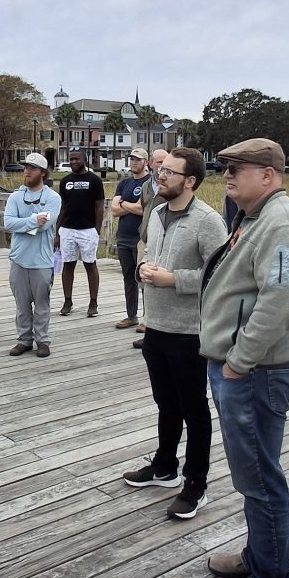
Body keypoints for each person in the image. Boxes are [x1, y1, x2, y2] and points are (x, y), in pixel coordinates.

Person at [198, 138, 289, 578]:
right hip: (243, 369)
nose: (227, 175)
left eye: (237, 168)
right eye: (225, 168)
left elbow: (279, 301)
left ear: (268, 175)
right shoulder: (257, 217)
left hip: (254, 372)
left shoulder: (282, 224)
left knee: (262, 479)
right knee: (254, 476)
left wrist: (239, 361)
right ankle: (259, 556)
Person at [125, 147, 228, 519]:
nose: (161, 176)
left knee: (194, 410)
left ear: (190, 181)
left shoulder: (208, 221)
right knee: (165, 403)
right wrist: (141, 270)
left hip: (190, 333)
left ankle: (195, 484)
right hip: (156, 326)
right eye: (160, 170)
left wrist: (174, 279)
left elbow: (221, 275)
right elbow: (148, 251)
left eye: (169, 172)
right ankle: (165, 466)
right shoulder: (155, 213)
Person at [3, 152, 63, 358]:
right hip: (19, 258)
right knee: (21, 305)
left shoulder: (53, 198)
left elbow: (46, 225)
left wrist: (26, 223)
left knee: (42, 304)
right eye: (25, 167)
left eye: (32, 168)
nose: (26, 171)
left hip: (42, 261)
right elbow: (8, 223)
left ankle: (42, 340)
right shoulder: (15, 196)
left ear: (43, 173)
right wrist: (32, 221)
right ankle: (24, 340)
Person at [56, 149, 105, 317]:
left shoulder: (95, 180)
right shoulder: (65, 181)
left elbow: (99, 206)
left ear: (85, 159)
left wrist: (96, 230)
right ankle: (67, 300)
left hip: (87, 229)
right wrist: (57, 232)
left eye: (77, 158)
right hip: (68, 229)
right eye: (71, 159)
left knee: (90, 264)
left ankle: (93, 302)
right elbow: (63, 207)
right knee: (68, 265)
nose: (73, 161)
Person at [132, 148, 170, 349]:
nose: (162, 166)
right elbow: (144, 208)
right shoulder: (147, 185)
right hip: (145, 239)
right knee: (144, 284)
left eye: (166, 162)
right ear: (151, 163)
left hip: (164, 241)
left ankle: (158, 332)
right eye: (158, 162)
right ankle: (148, 327)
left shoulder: (173, 186)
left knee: (159, 284)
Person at [110, 148, 150, 330]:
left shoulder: (150, 182)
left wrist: (124, 204)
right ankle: (131, 315)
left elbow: (145, 209)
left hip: (141, 238)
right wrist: (131, 206)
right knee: (128, 278)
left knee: (144, 278)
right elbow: (114, 210)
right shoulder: (124, 183)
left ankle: (148, 319)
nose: (134, 162)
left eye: (138, 160)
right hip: (123, 238)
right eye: (132, 159)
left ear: (146, 162)